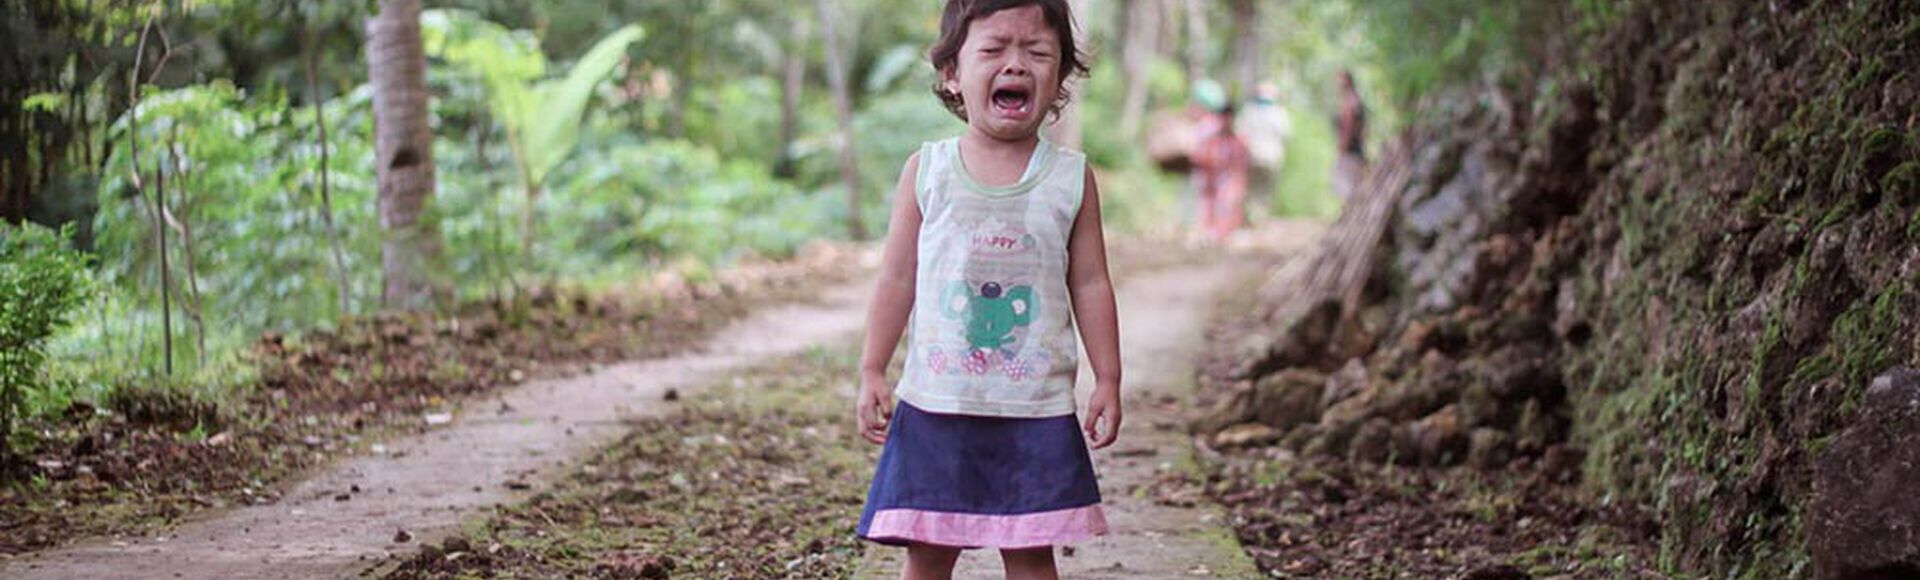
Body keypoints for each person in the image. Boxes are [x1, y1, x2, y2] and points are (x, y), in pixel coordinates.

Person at [852, 0, 1120, 578]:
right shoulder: (928, 171)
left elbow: (1092, 282)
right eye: (993, 50)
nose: (1015, 65)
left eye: (1037, 52)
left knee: (1029, 552)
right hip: (937, 403)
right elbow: (897, 277)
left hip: (1035, 406)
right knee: (928, 552)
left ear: (1061, 76)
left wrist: (1109, 377)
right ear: (952, 72)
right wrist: (873, 368)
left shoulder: (1071, 178)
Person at [1189, 80, 1252, 242]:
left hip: (1230, 185)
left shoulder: (1239, 141)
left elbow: (1243, 164)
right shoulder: (1211, 139)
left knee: (1229, 209)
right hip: (1213, 184)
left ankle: (1224, 235)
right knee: (1210, 210)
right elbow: (1201, 158)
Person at [1236, 81, 1293, 215]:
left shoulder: (1248, 111)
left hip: (1253, 157)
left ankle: (1253, 216)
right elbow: (1286, 136)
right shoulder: (1279, 113)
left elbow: (1239, 134)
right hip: (1270, 158)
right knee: (1264, 191)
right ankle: (1258, 216)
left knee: (1253, 190)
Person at [1332, 69, 1368, 201]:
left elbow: (1348, 125)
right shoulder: (1354, 99)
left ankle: (1351, 206)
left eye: (1340, 79)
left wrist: (1343, 145)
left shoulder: (1351, 101)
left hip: (1351, 148)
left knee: (1347, 182)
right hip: (1355, 147)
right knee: (1352, 181)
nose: (1337, 83)